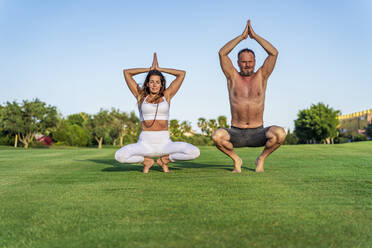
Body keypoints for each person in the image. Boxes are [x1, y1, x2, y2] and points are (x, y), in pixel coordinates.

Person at [212, 20, 286, 173]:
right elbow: (222, 53)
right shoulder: (232, 77)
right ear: (238, 63)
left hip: (257, 132)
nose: (247, 65)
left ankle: (261, 159)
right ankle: (236, 159)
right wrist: (241, 37)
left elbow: (274, 53)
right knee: (217, 136)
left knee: (280, 134)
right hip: (236, 132)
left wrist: (255, 36)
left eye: (250, 62)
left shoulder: (262, 76)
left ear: (254, 62)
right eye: (244, 62)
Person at [115, 53, 200, 173]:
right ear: (147, 84)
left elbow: (182, 74)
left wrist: (159, 69)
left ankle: (165, 160)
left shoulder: (167, 96)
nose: (154, 84)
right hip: (145, 143)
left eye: (157, 82)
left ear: (161, 85)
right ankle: (146, 161)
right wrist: (149, 69)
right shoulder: (141, 97)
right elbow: (127, 73)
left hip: (165, 143)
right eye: (152, 82)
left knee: (194, 152)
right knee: (119, 156)